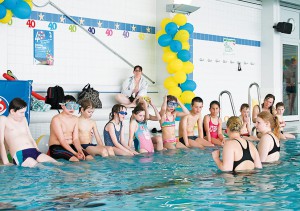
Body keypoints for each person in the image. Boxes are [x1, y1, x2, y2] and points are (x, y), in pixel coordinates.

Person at [0, 98, 56, 167]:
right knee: (40, 168)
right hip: (20, 154)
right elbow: (1, 142)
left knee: (56, 164)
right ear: (12, 111)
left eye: (24, 112)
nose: (23, 115)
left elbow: (30, 137)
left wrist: (38, 151)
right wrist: (6, 162)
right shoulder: (4, 120)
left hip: (34, 151)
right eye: (21, 112)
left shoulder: (23, 119)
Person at [49, 95, 94, 162]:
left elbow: (75, 139)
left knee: (89, 158)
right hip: (57, 147)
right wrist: (75, 153)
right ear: (62, 106)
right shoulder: (56, 119)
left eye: (74, 106)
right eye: (69, 106)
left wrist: (80, 150)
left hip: (71, 145)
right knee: (75, 160)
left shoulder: (75, 119)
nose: (72, 109)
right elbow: (62, 140)